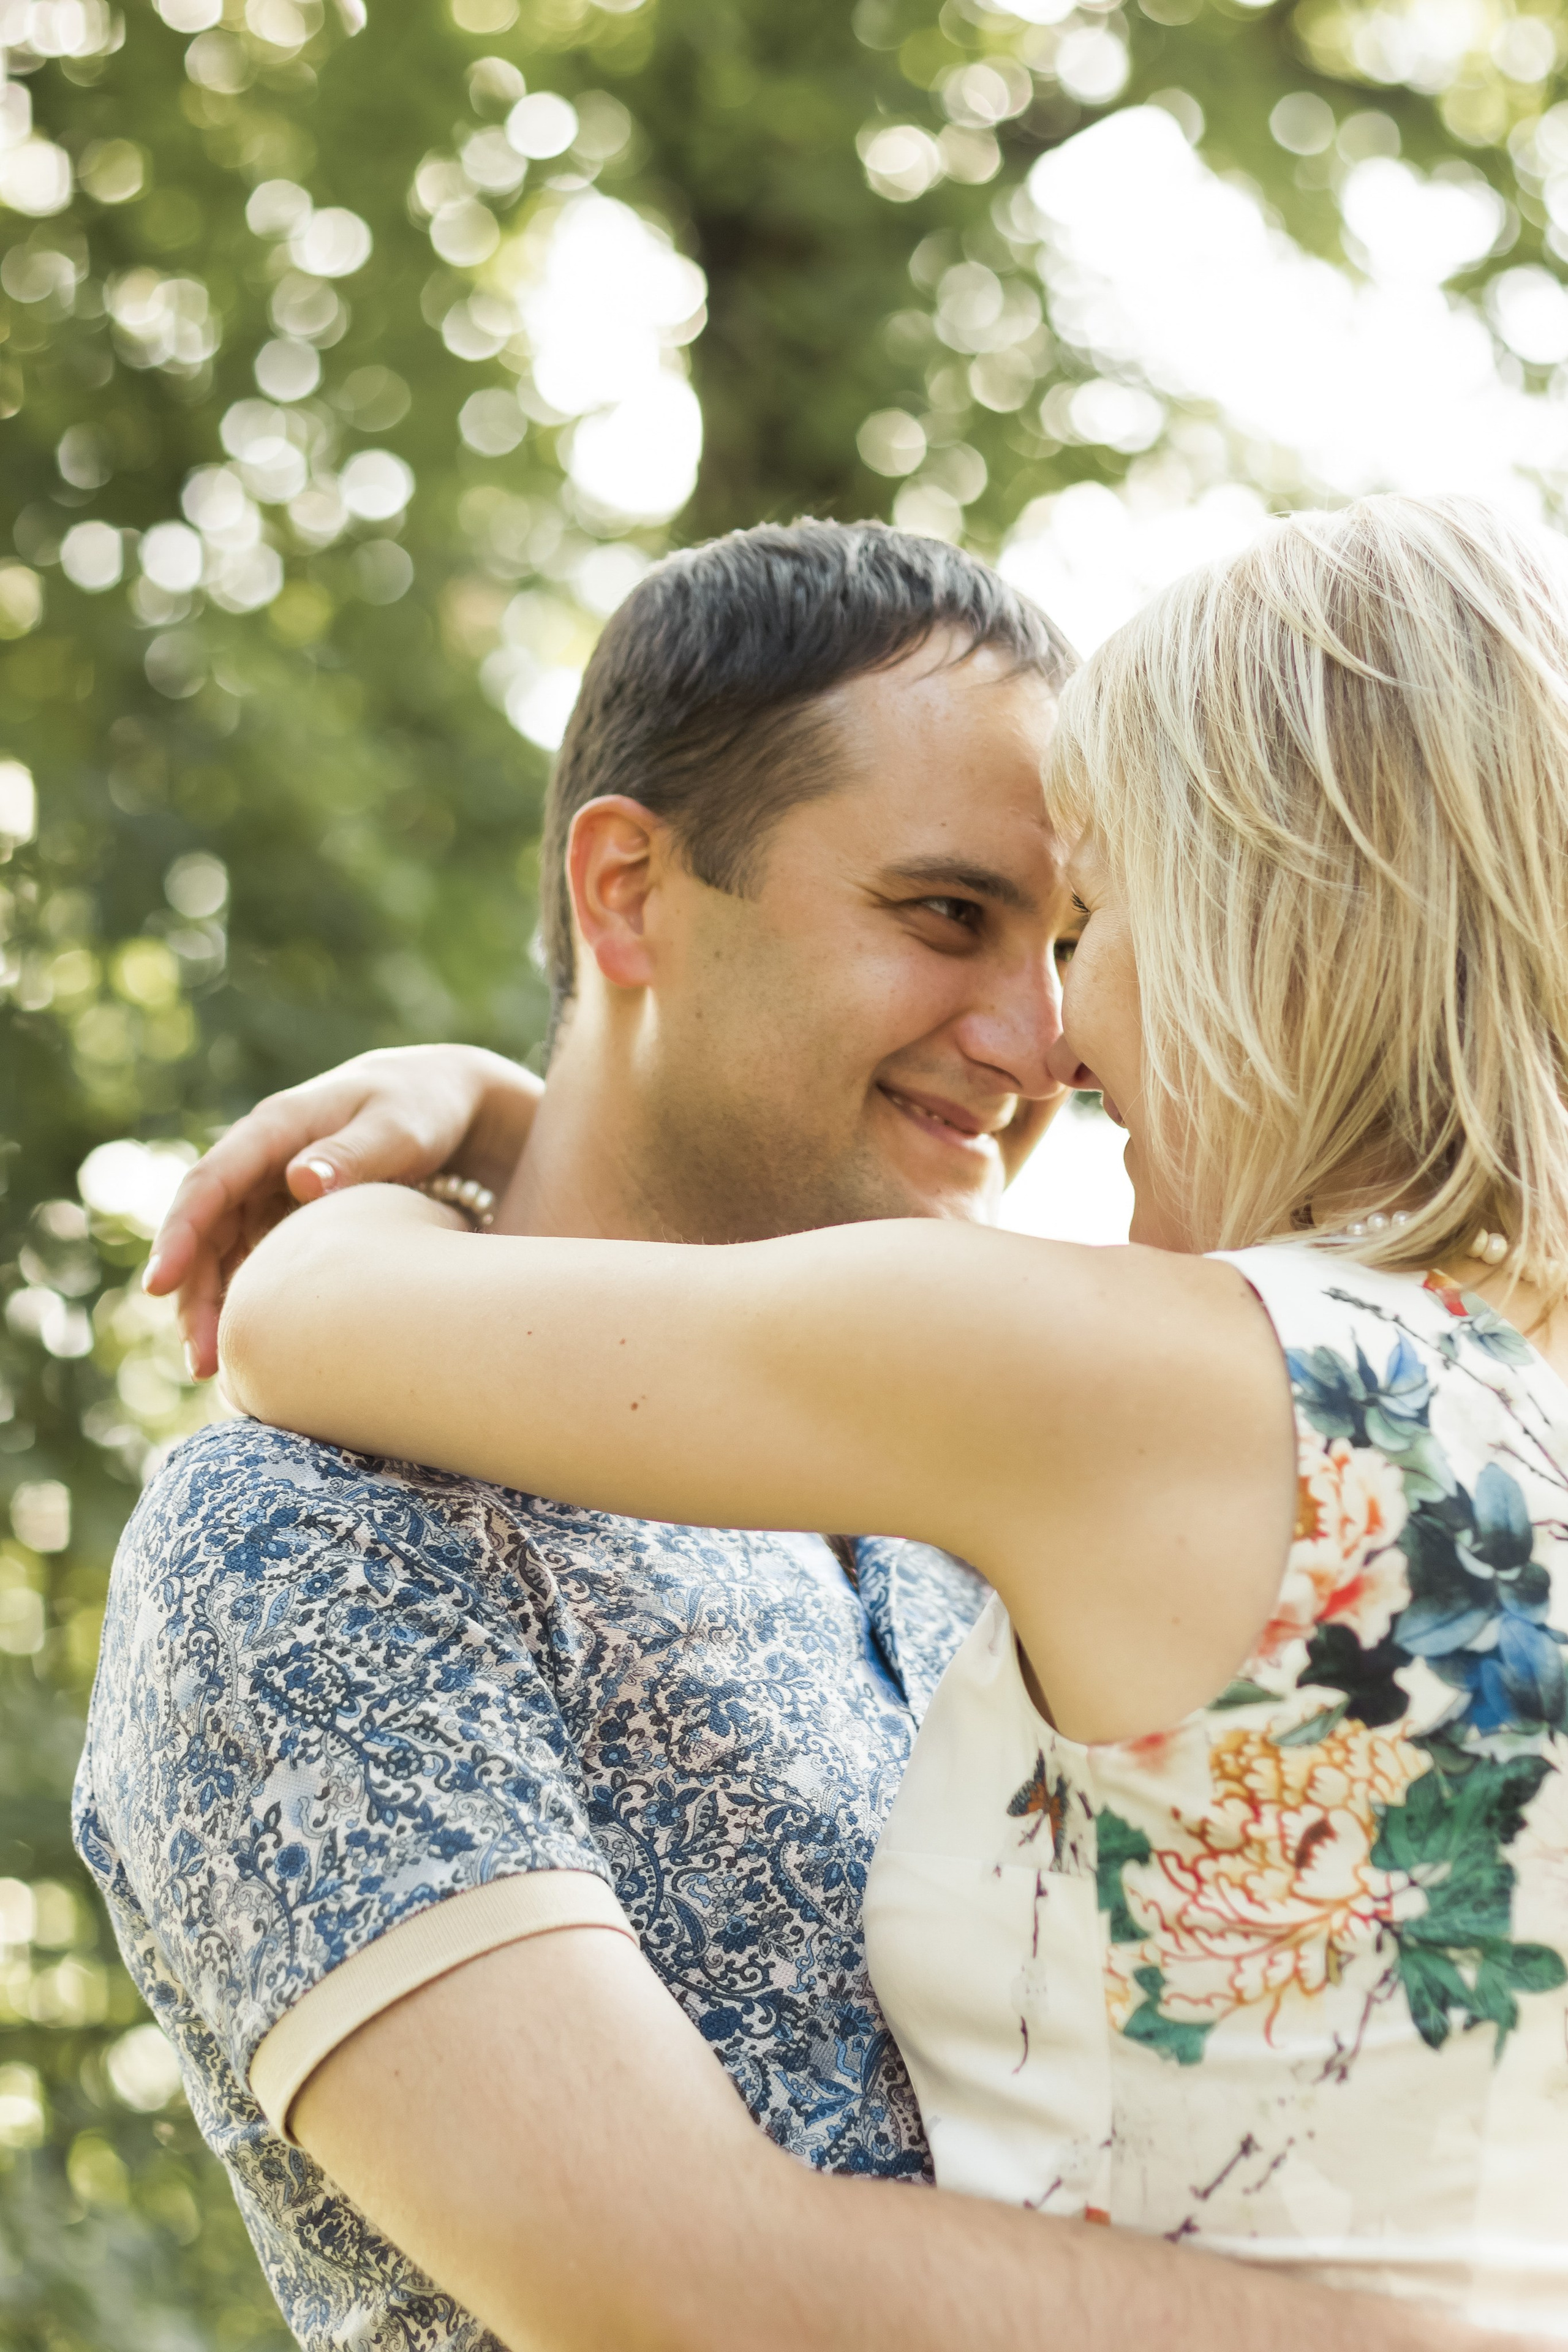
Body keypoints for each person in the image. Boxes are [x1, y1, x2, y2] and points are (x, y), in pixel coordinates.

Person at [75, 520, 1458, 2352]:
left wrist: (496, 1116)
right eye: (946, 917)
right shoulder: (310, 1526)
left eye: (1063, 941)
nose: (1044, 1041)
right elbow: (673, 2292)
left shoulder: (991, 1500)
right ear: (630, 890)